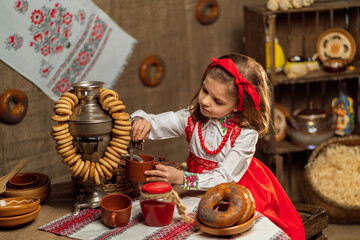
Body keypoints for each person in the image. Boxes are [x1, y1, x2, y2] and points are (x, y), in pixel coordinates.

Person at [131, 53, 305, 240]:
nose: (205, 101)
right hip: (196, 187)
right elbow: (163, 122)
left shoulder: (245, 133)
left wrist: (182, 178)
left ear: (239, 105)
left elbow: (225, 178)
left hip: (239, 190)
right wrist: (144, 121)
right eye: (205, 90)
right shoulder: (193, 119)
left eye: (218, 101)